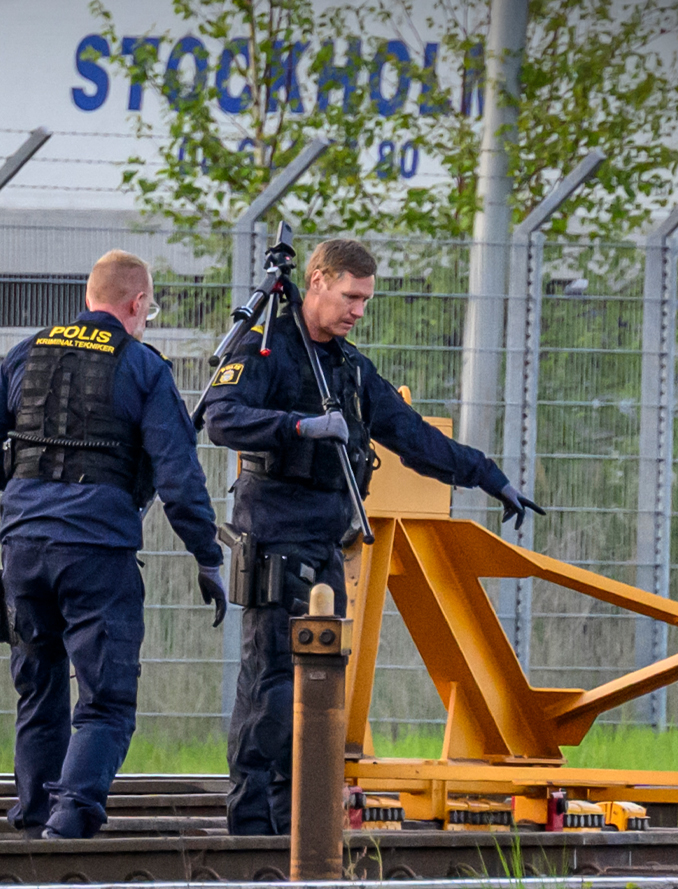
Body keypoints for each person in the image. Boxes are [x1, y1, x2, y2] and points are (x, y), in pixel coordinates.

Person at [200, 237, 542, 836]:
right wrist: (300, 426)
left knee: (318, 685)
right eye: (350, 296)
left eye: (365, 300)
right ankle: (252, 823)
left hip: (326, 545)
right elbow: (221, 416)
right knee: (272, 680)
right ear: (317, 280)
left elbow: (412, 436)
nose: (358, 310)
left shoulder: (350, 369)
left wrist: (489, 477)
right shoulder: (265, 348)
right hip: (275, 540)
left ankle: (293, 823)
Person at [0, 249, 227, 839]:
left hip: (23, 548)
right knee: (105, 700)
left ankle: (34, 819)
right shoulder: (143, 366)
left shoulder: (28, 352)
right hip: (97, 552)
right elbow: (179, 480)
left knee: (39, 687)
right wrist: (208, 556)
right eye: (149, 310)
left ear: (88, 297)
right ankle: (72, 819)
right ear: (137, 304)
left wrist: (32, 489)